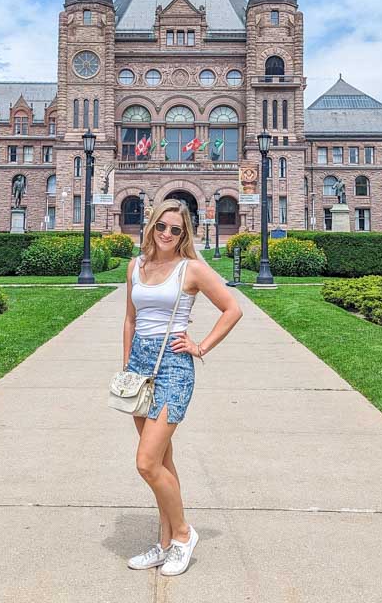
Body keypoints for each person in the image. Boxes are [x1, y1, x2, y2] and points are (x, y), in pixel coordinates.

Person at [122, 200, 243, 576]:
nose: (167, 235)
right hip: (141, 367)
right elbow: (130, 319)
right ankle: (164, 543)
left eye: (176, 230)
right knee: (161, 462)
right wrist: (127, 366)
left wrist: (200, 346)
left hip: (173, 366)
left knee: (145, 462)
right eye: (162, 226)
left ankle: (183, 535)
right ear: (152, 225)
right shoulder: (136, 267)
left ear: (184, 235)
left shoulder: (191, 269)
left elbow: (232, 309)